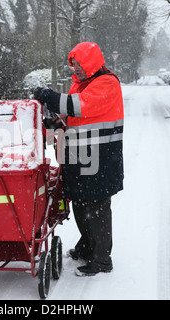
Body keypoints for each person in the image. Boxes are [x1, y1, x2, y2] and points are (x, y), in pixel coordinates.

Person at [34, 42, 124, 276]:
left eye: (80, 65)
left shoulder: (106, 83)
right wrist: (54, 125)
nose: (76, 70)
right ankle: (87, 246)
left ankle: (102, 259)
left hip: (100, 158)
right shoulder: (79, 84)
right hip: (80, 156)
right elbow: (70, 118)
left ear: (92, 63)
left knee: (97, 208)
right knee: (81, 204)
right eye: (73, 65)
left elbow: (77, 107)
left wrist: (48, 96)